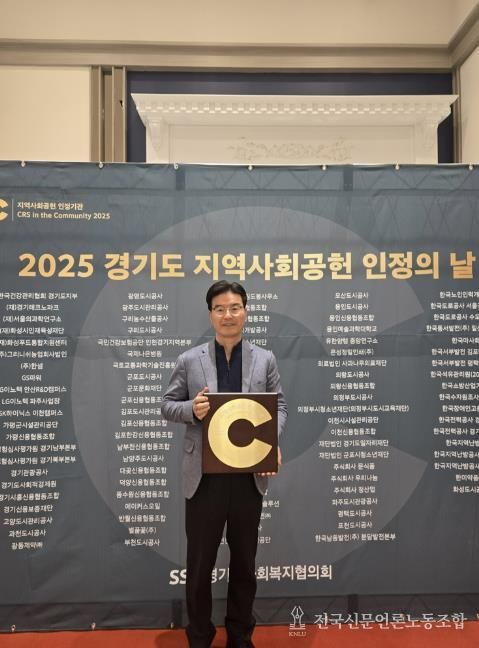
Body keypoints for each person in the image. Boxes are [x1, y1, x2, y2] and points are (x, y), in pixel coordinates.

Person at [161, 280, 287, 648]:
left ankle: (240, 636)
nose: (227, 315)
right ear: (210, 314)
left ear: (245, 312)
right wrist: (191, 409)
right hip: (204, 477)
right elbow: (167, 404)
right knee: (200, 564)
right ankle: (199, 636)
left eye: (234, 308)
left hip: (248, 475)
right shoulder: (190, 359)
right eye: (220, 309)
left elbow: (278, 405)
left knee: (245, 563)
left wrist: (271, 442)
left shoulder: (265, 359)